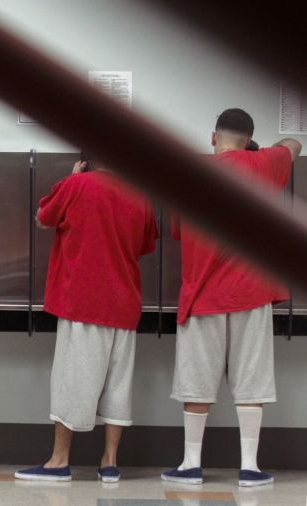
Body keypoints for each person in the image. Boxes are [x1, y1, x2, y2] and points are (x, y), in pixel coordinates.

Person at [162, 109, 302, 487]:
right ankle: (250, 468)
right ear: (249, 139)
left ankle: (191, 465)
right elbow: (293, 144)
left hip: (202, 296)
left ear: (212, 138)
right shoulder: (265, 164)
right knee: (251, 382)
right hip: (251, 294)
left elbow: (177, 231)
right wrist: (257, 152)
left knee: (197, 381)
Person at [15, 159, 157, 483]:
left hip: (84, 302)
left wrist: (74, 177)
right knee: (118, 385)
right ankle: (109, 462)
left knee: (72, 383)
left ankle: (59, 461)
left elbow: (42, 218)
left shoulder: (77, 184)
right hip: (125, 305)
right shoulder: (141, 195)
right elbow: (145, 245)